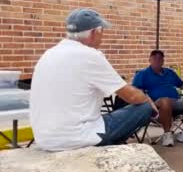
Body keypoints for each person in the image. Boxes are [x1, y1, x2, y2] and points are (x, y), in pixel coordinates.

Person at [30, 8, 157, 152]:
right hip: (77, 137)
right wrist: (147, 99)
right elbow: (132, 96)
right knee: (144, 108)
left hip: (44, 138)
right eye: (102, 31)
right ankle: (110, 151)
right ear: (94, 32)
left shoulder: (49, 53)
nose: (102, 37)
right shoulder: (90, 55)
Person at [132, 50, 183, 147]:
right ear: (149, 59)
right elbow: (136, 91)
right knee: (165, 100)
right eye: (155, 58)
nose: (158, 60)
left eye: (160, 58)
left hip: (176, 101)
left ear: (163, 61)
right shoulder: (142, 74)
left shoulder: (169, 72)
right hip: (156, 104)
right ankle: (167, 134)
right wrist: (147, 102)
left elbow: (182, 85)